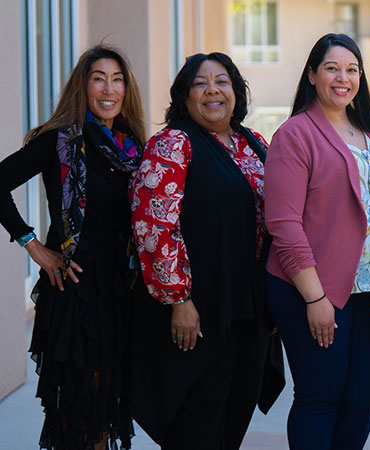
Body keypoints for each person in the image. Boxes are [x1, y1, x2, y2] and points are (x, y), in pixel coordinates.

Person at [129, 52, 283, 449]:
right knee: (196, 421)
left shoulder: (254, 144)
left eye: (222, 81)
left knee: (235, 413)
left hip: (249, 307)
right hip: (198, 311)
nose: (213, 90)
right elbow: (154, 228)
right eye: (200, 83)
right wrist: (179, 299)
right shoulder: (172, 144)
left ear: (236, 91)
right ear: (184, 96)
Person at [0, 45, 145, 449]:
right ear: (83, 85)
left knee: (106, 407)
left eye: (117, 79)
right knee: (81, 409)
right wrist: (34, 245)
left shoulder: (131, 146)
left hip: (118, 290)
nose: (109, 88)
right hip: (75, 291)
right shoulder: (59, 142)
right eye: (99, 77)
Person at [264, 33, 370, 450]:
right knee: (321, 397)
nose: (343, 78)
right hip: (315, 289)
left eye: (352, 69)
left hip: (368, 290)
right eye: (332, 68)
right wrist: (314, 298)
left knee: (367, 390)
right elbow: (283, 225)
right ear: (311, 75)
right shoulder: (295, 134)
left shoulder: (368, 134)